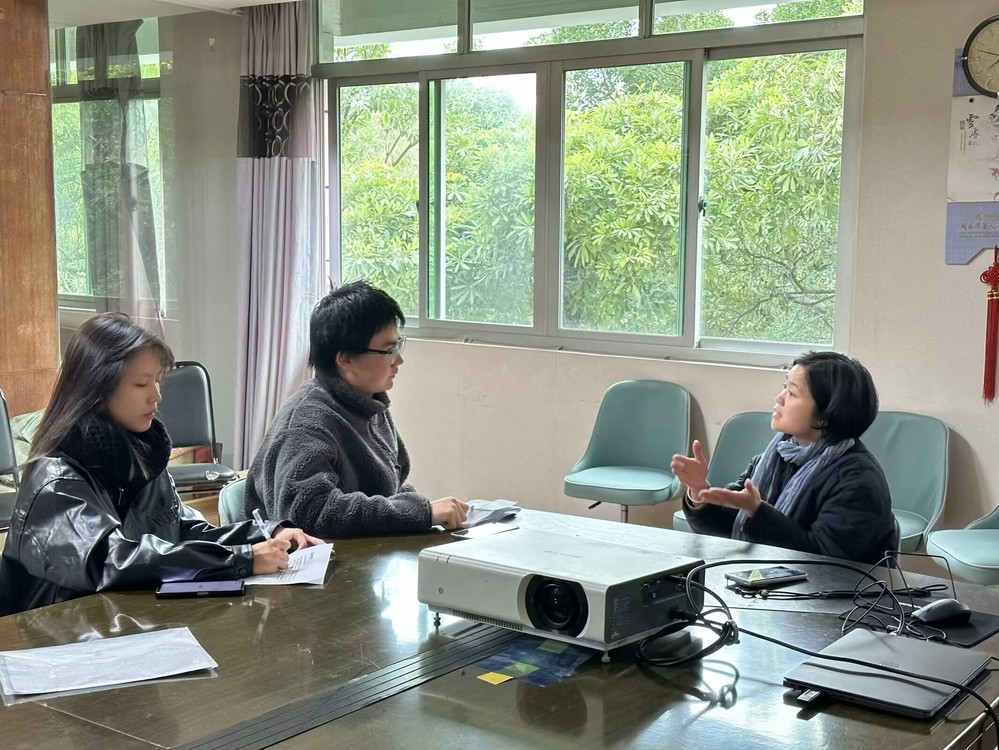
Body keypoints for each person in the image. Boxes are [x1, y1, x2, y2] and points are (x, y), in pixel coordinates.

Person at [0, 313, 323, 616]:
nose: (156, 396)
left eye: (157, 381)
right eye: (142, 384)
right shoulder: (54, 481)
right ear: (96, 388)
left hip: (125, 620)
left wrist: (266, 534)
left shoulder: (141, 453)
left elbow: (181, 531)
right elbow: (113, 561)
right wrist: (241, 560)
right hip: (56, 637)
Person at [243, 281, 467, 537]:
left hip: (364, 551)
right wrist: (418, 512)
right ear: (346, 359)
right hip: (316, 559)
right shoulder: (306, 425)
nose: (398, 360)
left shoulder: (367, 403)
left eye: (398, 345)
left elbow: (389, 491)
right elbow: (308, 513)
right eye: (388, 350)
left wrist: (422, 511)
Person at [671, 351, 894, 565]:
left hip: (839, 590)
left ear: (825, 416)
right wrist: (698, 493)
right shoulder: (775, 456)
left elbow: (825, 562)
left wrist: (758, 512)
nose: (779, 398)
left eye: (793, 393)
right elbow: (727, 528)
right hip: (772, 583)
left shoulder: (858, 481)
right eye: (784, 387)